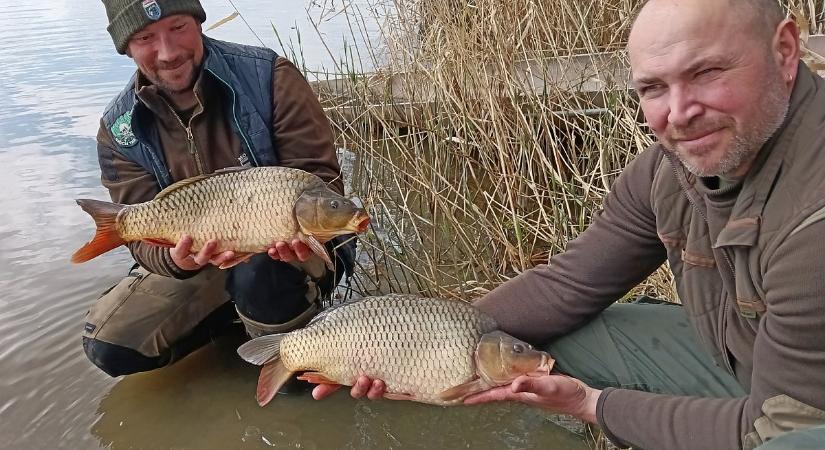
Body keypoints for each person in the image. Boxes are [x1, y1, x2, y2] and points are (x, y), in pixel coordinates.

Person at [313, 0, 825, 448]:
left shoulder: (814, 222)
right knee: (535, 341)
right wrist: (428, 344)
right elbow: (569, 284)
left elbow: (777, 428)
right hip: (758, 360)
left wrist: (592, 405)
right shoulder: (669, 170)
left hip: (799, 419)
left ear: (785, 51)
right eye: (653, 87)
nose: (679, 112)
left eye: (707, 72)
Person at [82, 0, 355, 377]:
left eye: (178, 27)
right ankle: (229, 323)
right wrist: (178, 260)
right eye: (145, 38)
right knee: (110, 345)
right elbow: (142, 242)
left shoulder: (268, 76)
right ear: (126, 47)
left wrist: (300, 236)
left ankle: (289, 357)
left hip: (288, 247)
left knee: (259, 274)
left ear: (198, 21)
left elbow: (319, 180)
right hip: (198, 261)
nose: (168, 52)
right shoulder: (119, 130)